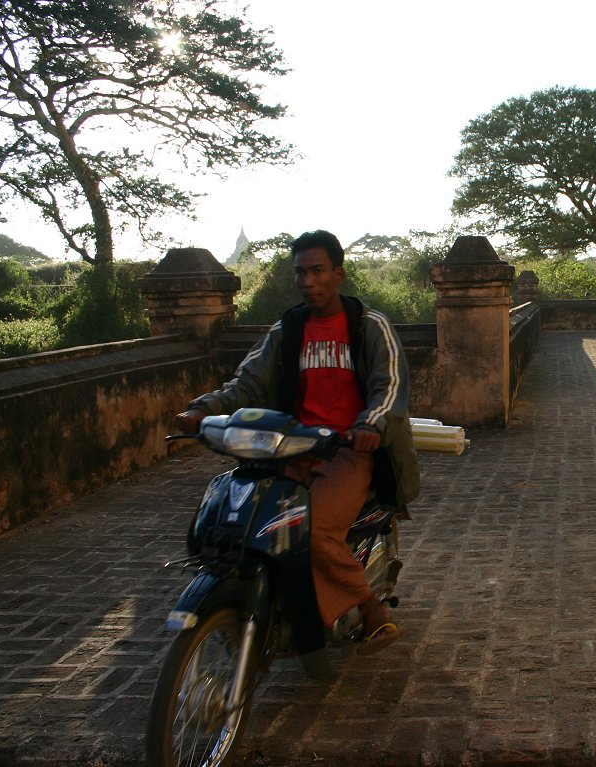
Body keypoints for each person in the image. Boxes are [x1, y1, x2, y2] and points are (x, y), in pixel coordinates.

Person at [174, 229, 420, 653]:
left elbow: (390, 386)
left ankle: (370, 609)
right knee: (248, 521)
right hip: (290, 448)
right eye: (300, 273)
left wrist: (369, 426)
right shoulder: (287, 328)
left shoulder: (368, 326)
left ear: (339, 273)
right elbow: (248, 380)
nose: (308, 281)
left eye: (318, 271)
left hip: (347, 450)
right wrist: (203, 408)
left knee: (314, 530)